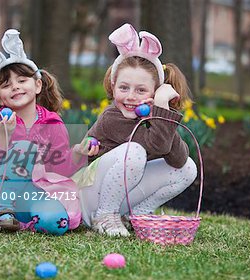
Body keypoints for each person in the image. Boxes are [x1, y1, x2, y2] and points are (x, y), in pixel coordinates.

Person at [75, 24, 198, 237]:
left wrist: (161, 112)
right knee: (136, 151)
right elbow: (157, 145)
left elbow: (177, 159)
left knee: (188, 167)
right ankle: (105, 216)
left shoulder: (153, 116)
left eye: (141, 90)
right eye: (124, 88)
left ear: (156, 90)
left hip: (119, 195)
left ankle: (137, 216)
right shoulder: (112, 118)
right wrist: (159, 110)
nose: (131, 96)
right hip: (86, 199)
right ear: (113, 87)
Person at [0, 29, 88, 233]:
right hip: (1, 193)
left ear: (37, 85)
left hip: (36, 192)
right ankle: (2, 212)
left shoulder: (53, 123)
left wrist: (77, 153)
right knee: (24, 148)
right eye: (6, 85)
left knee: (55, 223)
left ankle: (24, 219)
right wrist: (3, 135)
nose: (15, 87)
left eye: (22, 80)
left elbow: (59, 168)